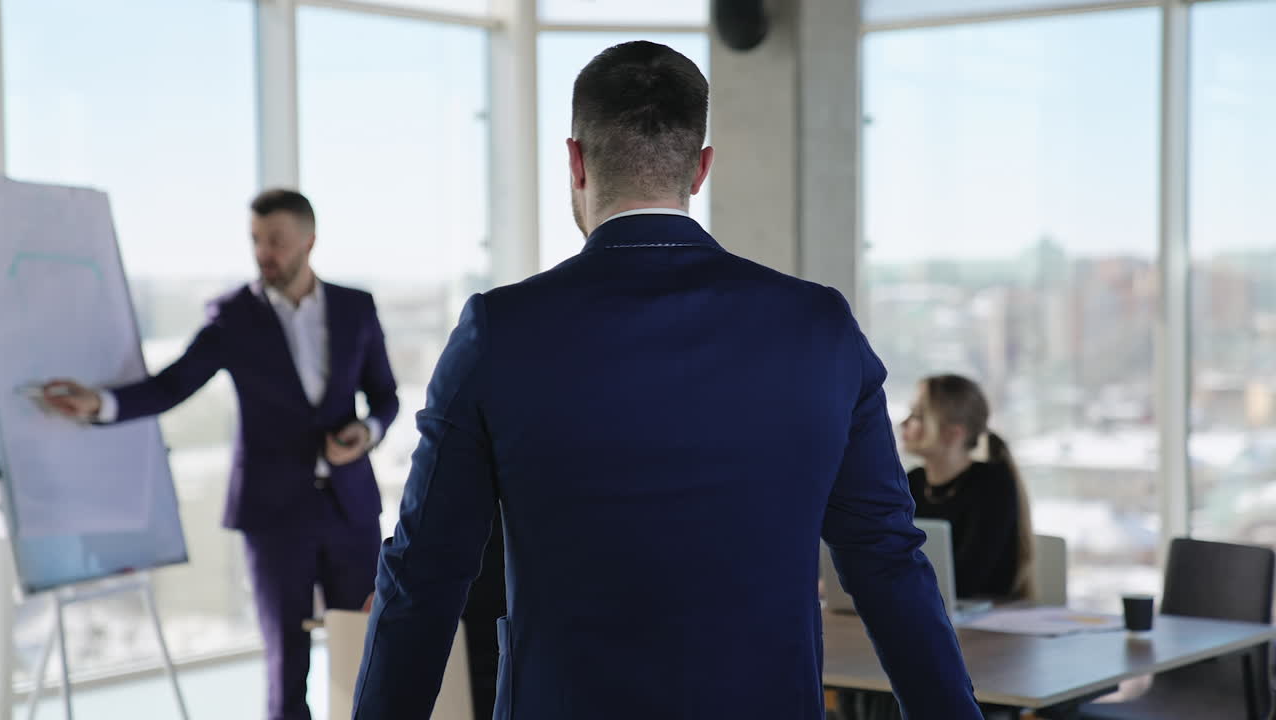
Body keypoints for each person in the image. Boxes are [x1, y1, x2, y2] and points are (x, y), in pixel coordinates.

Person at [352, 41, 981, 719]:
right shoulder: (819, 328)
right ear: (701, 167)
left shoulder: (497, 332)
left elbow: (423, 575)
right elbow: (888, 563)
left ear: (575, 160)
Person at [40, 189, 399, 720]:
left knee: (367, 655)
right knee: (286, 668)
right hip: (273, 516)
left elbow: (386, 396)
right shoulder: (233, 316)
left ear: (310, 240)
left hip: (351, 511)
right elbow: (172, 386)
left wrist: (366, 432)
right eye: (256, 240)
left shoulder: (355, 307)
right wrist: (101, 403)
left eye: (275, 240)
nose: (263, 253)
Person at [901, 374, 1034, 600]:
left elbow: (964, 581)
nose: (904, 424)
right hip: (923, 608)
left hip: (986, 624)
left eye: (917, 416)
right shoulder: (912, 481)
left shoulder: (992, 484)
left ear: (953, 433)